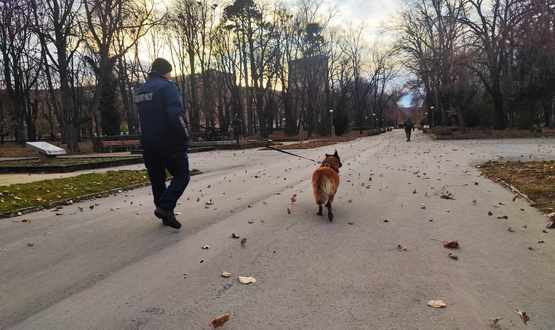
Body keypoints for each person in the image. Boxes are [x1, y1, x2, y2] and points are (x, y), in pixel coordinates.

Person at [134, 58, 190, 229]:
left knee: (157, 179)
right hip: (169, 141)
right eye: (169, 73)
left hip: (148, 143)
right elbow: (175, 114)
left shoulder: (141, 90)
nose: (170, 76)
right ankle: (165, 208)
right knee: (182, 175)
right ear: (166, 72)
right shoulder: (167, 87)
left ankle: (166, 215)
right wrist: (184, 135)